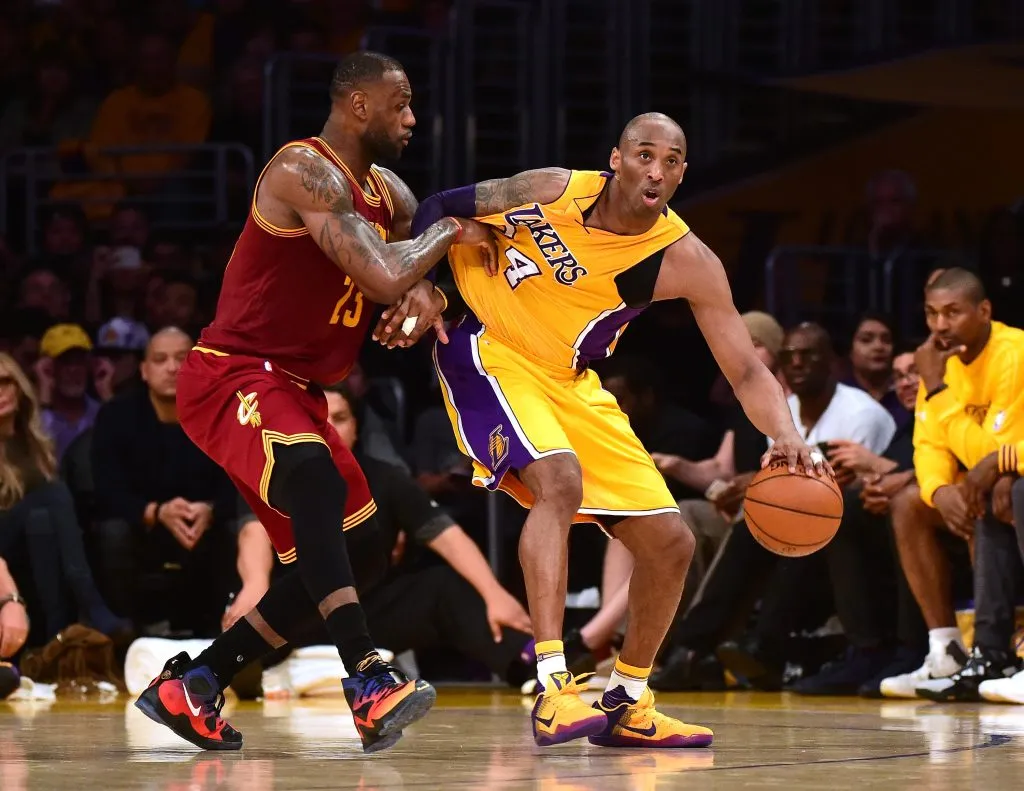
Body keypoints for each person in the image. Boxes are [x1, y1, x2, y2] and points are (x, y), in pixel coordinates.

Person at [408, 112, 826, 748]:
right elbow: (439, 206)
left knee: (672, 542)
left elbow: (745, 369)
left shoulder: (685, 258)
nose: (656, 171)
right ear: (616, 159)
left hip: (571, 379)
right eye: (644, 155)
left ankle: (628, 699)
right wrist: (421, 285)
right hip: (492, 348)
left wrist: (786, 436)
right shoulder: (550, 188)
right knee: (559, 481)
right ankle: (553, 686)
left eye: (671, 161)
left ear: (682, 175)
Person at [133, 51, 496, 754]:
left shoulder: (388, 193)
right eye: (401, 103)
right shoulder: (302, 170)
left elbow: (409, 272)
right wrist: (450, 233)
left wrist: (430, 293)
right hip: (234, 372)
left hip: (299, 388)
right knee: (315, 479)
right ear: (359, 105)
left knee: (365, 547)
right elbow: (387, 272)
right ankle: (367, 677)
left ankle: (195, 683)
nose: (412, 118)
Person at [227, 384, 534, 688]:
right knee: (253, 614)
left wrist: (494, 594)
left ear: (356, 428)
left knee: (444, 587)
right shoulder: (271, 474)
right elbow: (253, 532)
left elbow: (445, 534)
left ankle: (532, 671)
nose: (328, 428)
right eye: (315, 418)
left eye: (340, 418)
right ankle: (240, 676)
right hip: (300, 616)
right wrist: (255, 584)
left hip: (369, 615)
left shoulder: (386, 478)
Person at [885, 268, 1024, 702]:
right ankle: (946, 649)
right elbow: (927, 445)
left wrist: (937, 388)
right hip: (990, 479)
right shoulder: (939, 361)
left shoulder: (1013, 353)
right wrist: (939, 491)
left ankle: (997, 649)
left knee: (1002, 492)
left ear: (984, 310)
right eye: (931, 314)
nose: (940, 325)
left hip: (1009, 479)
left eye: (952, 312)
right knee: (908, 503)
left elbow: (993, 452)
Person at [91, 328, 238, 637]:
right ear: (144, 371)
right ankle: (124, 632)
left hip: (206, 526)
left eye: (182, 358)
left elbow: (243, 480)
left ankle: (232, 627)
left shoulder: (223, 413)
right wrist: (156, 512)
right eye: (160, 359)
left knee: (242, 528)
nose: (172, 368)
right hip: (143, 527)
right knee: (111, 532)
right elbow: (107, 489)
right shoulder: (116, 416)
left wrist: (211, 510)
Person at [0, 353, 125, 655]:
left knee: (42, 520)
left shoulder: (32, 442)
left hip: (28, 551)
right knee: (52, 495)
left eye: (5, 382)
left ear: (18, 387)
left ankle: (54, 640)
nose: (0, 393)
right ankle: (93, 606)